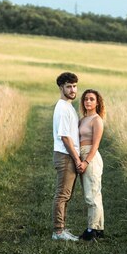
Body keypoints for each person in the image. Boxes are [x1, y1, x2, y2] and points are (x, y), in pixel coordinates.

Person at [51, 72, 81, 241]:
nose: (72, 89)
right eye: (69, 86)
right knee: (62, 194)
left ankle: (62, 228)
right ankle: (58, 231)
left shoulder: (68, 106)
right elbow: (64, 137)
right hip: (65, 155)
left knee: (66, 194)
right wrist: (76, 159)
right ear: (61, 87)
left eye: (74, 86)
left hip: (68, 154)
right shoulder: (63, 108)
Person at [77, 89, 106, 241]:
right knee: (95, 193)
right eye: (86, 99)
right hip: (82, 155)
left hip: (91, 157)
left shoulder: (97, 120)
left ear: (97, 102)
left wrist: (86, 161)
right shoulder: (82, 120)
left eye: (91, 99)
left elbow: (95, 145)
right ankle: (99, 229)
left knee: (91, 195)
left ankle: (91, 230)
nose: (88, 101)